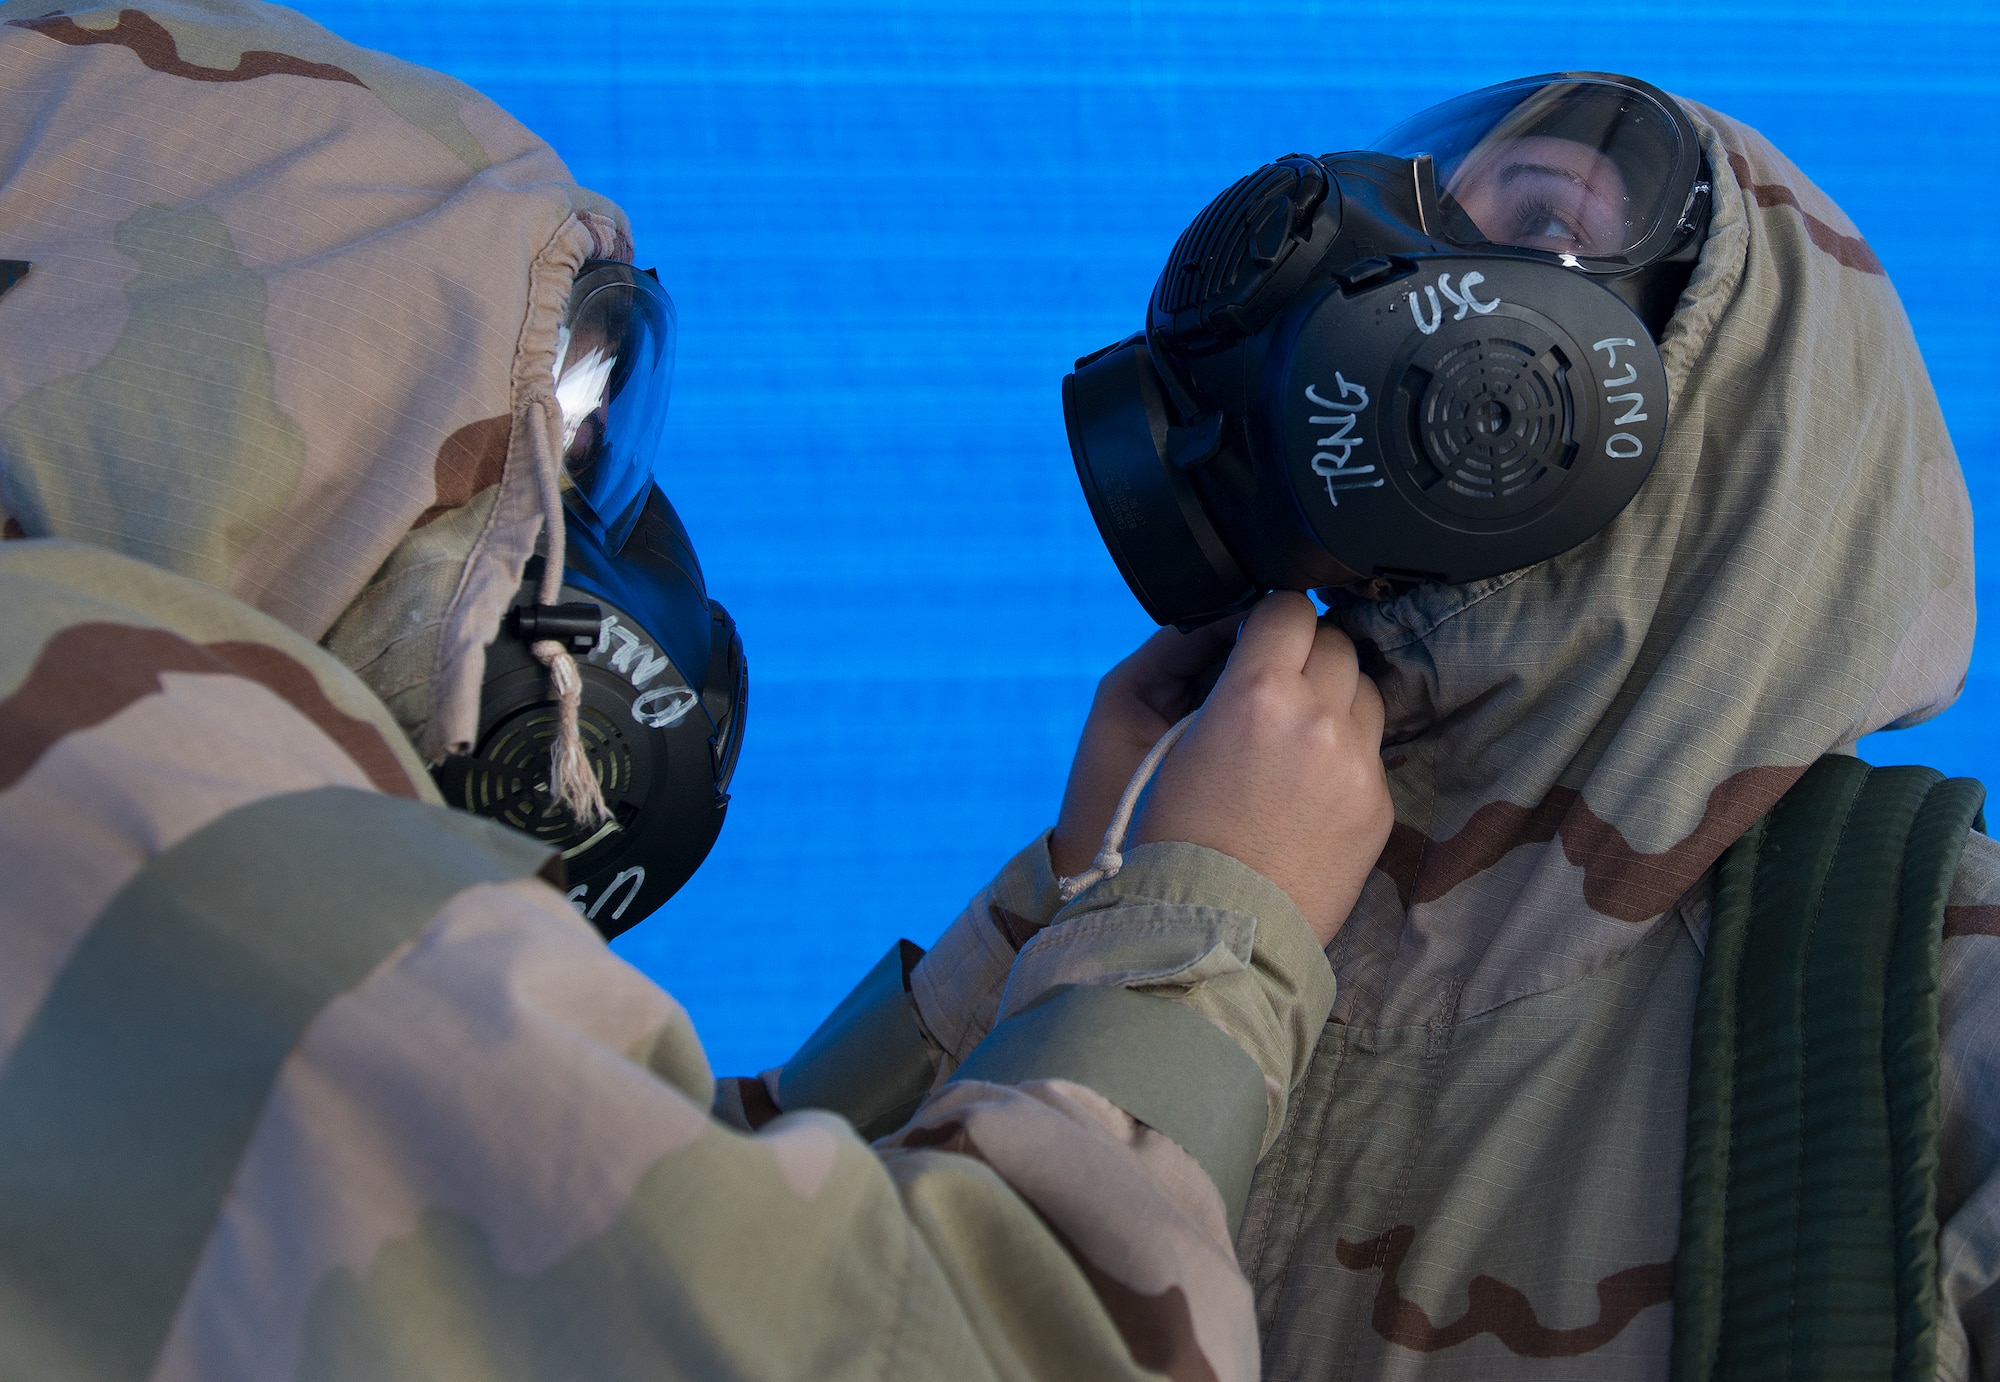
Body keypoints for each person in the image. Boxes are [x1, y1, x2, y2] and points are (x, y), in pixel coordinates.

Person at [0, 2, 1398, 1377]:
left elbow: (585, 1251)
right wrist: (1212, 925)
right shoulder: (117, 759)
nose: (585, 541)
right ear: (191, 384)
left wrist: (1056, 914)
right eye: (541, 428)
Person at [822, 74, 2000, 1379]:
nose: (1394, 249)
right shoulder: (1218, 884)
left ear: (1721, 405)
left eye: (1537, 223)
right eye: (1430, 196)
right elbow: (722, 1296)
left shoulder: (1940, 1003)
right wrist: (1070, 899)